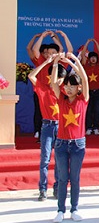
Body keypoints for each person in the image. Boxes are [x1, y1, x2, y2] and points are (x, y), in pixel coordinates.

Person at [50, 52, 89, 223]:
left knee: (74, 178)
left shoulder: (83, 100)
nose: (68, 88)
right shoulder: (61, 100)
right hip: (61, 144)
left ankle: (74, 209)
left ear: (79, 88)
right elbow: (53, 83)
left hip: (77, 145)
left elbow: (85, 79)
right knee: (62, 178)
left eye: (72, 86)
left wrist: (74, 62)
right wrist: (56, 63)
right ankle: (60, 210)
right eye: (67, 85)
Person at [28, 56, 67, 201]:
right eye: (56, 77)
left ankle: (57, 188)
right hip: (47, 126)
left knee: (59, 160)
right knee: (45, 159)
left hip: (61, 127)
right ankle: (42, 189)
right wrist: (46, 62)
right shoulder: (43, 89)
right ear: (50, 76)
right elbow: (31, 75)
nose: (59, 82)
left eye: (61, 79)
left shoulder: (64, 92)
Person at [81, 39, 99, 135]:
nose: (93, 59)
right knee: (89, 110)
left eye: (95, 57)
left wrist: (96, 43)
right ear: (89, 59)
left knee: (97, 110)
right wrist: (87, 43)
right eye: (91, 57)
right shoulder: (85, 66)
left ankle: (96, 128)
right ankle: (89, 128)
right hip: (88, 92)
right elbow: (82, 55)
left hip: (98, 91)